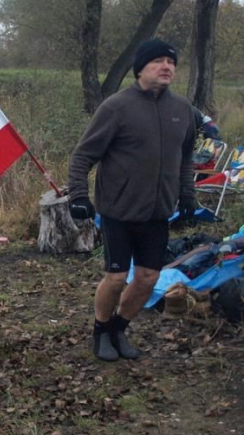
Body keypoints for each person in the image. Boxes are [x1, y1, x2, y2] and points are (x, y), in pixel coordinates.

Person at [67, 39, 196, 362]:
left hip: (158, 212)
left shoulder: (182, 110)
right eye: (158, 61)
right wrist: (79, 195)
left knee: (148, 278)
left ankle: (119, 328)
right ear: (140, 68)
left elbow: (185, 157)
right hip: (119, 210)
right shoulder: (117, 107)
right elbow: (83, 155)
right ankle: (101, 331)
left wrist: (187, 196)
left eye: (171, 62)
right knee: (115, 278)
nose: (166, 67)